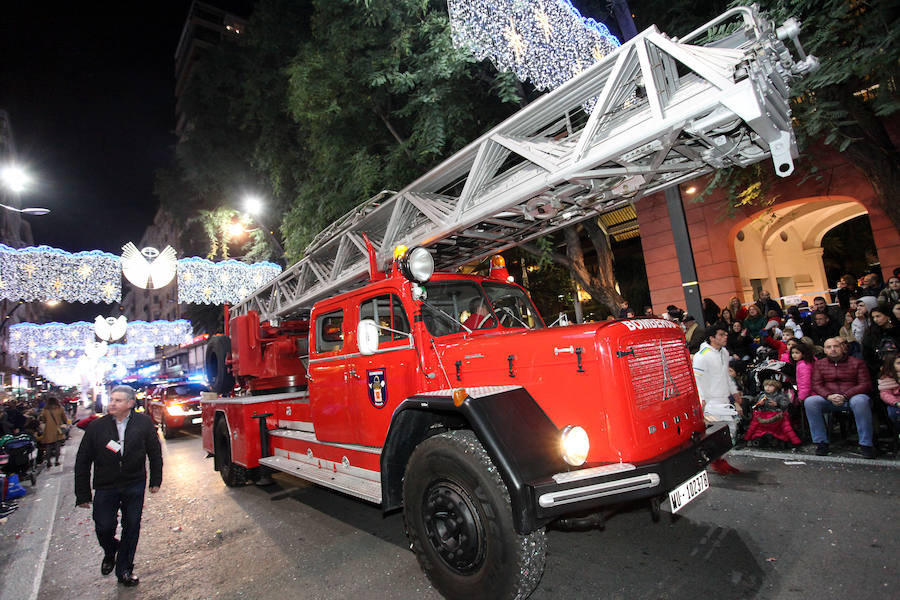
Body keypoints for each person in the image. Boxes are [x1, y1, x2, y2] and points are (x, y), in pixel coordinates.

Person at [75, 385, 162, 587]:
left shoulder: (143, 424)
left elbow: (154, 452)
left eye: (118, 400)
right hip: (106, 486)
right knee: (104, 526)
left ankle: (124, 570)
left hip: (134, 483)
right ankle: (111, 549)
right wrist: (83, 493)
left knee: (131, 526)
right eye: (111, 400)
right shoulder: (97, 427)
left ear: (130, 404)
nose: (112, 404)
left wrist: (155, 480)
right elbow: (83, 460)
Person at [804, 337, 875, 458]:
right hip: (829, 398)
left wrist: (846, 396)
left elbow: (865, 384)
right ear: (825, 350)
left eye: (836, 346)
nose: (833, 349)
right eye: (829, 347)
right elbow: (816, 385)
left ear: (842, 348)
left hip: (852, 396)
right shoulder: (819, 364)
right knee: (810, 402)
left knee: (862, 401)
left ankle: (866, 444)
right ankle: (821, 442)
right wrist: (829, 396)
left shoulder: (857, 362)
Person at [693, 326, 743, 473]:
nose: (725, 337)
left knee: (729, 430)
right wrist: (701, 399)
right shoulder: (702, 356)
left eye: (725, 334)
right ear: (712, 338)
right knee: (723, 431)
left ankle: (717, 460)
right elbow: (697, 379)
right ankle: (716, 461)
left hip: (723, 399)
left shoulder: (724, 353)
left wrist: (734, 392)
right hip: (710, 401)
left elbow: (726, 375)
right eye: (721, 334)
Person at [744, 379, 802, 447]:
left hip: (777, 414)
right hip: (764, 414)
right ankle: (747, 438)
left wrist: (777, 404)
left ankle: (794, 441)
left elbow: (786, 405)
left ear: (776, 387)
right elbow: (756, 406)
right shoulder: (762, 395)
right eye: (766, 386)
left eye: (770, 386)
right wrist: (760, 404)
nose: (767, 388)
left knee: (786, 426)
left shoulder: (781, 395)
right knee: (754, 424)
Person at [38, 396, 69, 469]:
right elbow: (64, 419)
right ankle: (57, 461)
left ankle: (49, 462)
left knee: (48, 446)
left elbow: (43, 420)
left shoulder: (45, 410)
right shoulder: (60, 408)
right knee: (57, 445)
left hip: (48, 430)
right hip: (57, 429)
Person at [876, 353, 900, 432]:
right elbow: (885, 394)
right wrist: (896, 402)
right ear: (891, 365)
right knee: (893, 412)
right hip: (896, 403)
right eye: (898, 363)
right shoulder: (887, 378)